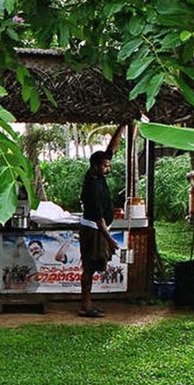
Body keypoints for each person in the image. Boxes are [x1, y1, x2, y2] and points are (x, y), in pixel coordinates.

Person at [78, 124, 126, 318]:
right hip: (95, 231)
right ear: (95, 165)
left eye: (109, 165)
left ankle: (87, 302)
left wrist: (122, 126)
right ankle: (85, 305)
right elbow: (98, 220)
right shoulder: (93, 186)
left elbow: (111, 149)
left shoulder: (97, 173)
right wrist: (110, 240)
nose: (108, 169)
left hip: (99, 229)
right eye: (105, 166)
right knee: (90, 267)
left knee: (94, 266)